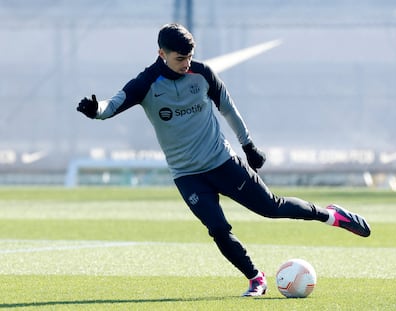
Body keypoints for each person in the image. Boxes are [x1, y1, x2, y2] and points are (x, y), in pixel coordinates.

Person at [77, 23, 371, 297]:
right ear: (161, 54)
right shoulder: (145, 83)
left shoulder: (202, 74)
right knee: (218, 229)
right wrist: (96, 110)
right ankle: (256, 279)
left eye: (190, 56)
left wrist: (249, 146)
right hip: (187, 175)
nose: (187, 63)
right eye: (180, 58)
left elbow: (229, 108)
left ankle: (332, 216)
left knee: (271, 208)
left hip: (223, 163)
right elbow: (111, 105)